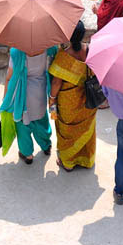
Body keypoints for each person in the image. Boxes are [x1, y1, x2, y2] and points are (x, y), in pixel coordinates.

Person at [47, 21, 96, 170]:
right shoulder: (90, 50)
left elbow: (56, 83)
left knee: (67, 130)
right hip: (88, 99)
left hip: (68, 102)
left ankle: (68, 162)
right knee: (86, 128)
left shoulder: (63, 56)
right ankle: (87, 159)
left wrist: (52, 99)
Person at [0, 44, 58, 164]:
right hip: (40, 93)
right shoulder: (50, 49)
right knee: (41, 121)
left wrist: (6, 98)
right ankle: (46, 146)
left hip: (22, 97)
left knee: (22, 127)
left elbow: (9, 78)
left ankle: (27, 155)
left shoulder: (16, 52)